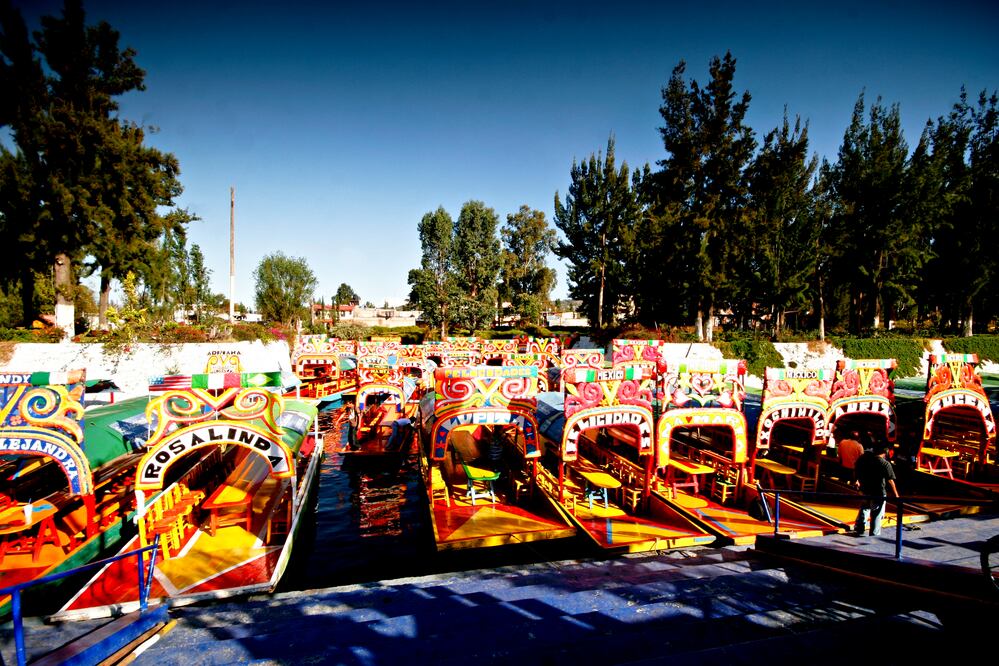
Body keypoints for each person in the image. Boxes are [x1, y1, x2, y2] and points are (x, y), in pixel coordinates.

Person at [853, 443, 898, 536]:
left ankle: (859, 528)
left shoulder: (866, 460)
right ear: (885, 452)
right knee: (877, 514)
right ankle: (874, 533)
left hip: (865, 489)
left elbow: (857, 469)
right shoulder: (885, 464)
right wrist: (896, 495)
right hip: (878, 492)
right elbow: (890, 481)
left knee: (865, 508)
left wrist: (857, 481)